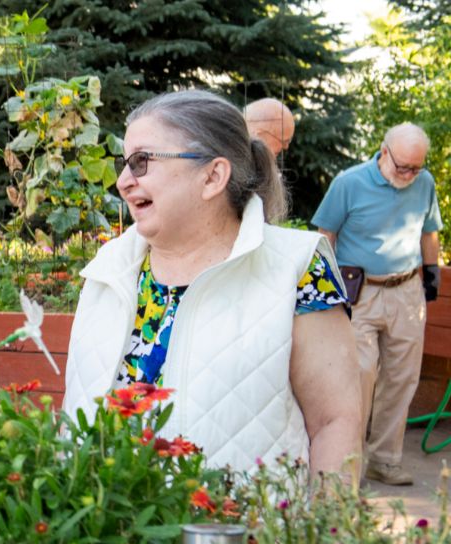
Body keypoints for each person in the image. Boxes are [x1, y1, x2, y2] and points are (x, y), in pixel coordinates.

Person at [63, 90, 361, 477]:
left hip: (241, 518)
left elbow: (335, 423)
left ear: (212, 176)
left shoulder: (297, 268)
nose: (123, 182)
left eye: (141, 162)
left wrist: (327, 516)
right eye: (125, 163)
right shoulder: (108, 269)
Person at [312, 123, 442, 486]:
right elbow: (325, 234)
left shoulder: (424, 182)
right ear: (384, 152)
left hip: (407, 291)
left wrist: (431, 273)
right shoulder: (349, 183)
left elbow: (429, 231)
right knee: (360, 375)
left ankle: (385, 460)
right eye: (403, 167)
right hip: (361, 291)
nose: (409, 175)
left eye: (416, 168)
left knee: (402, 377)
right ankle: (349, 465)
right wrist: (329, 285)